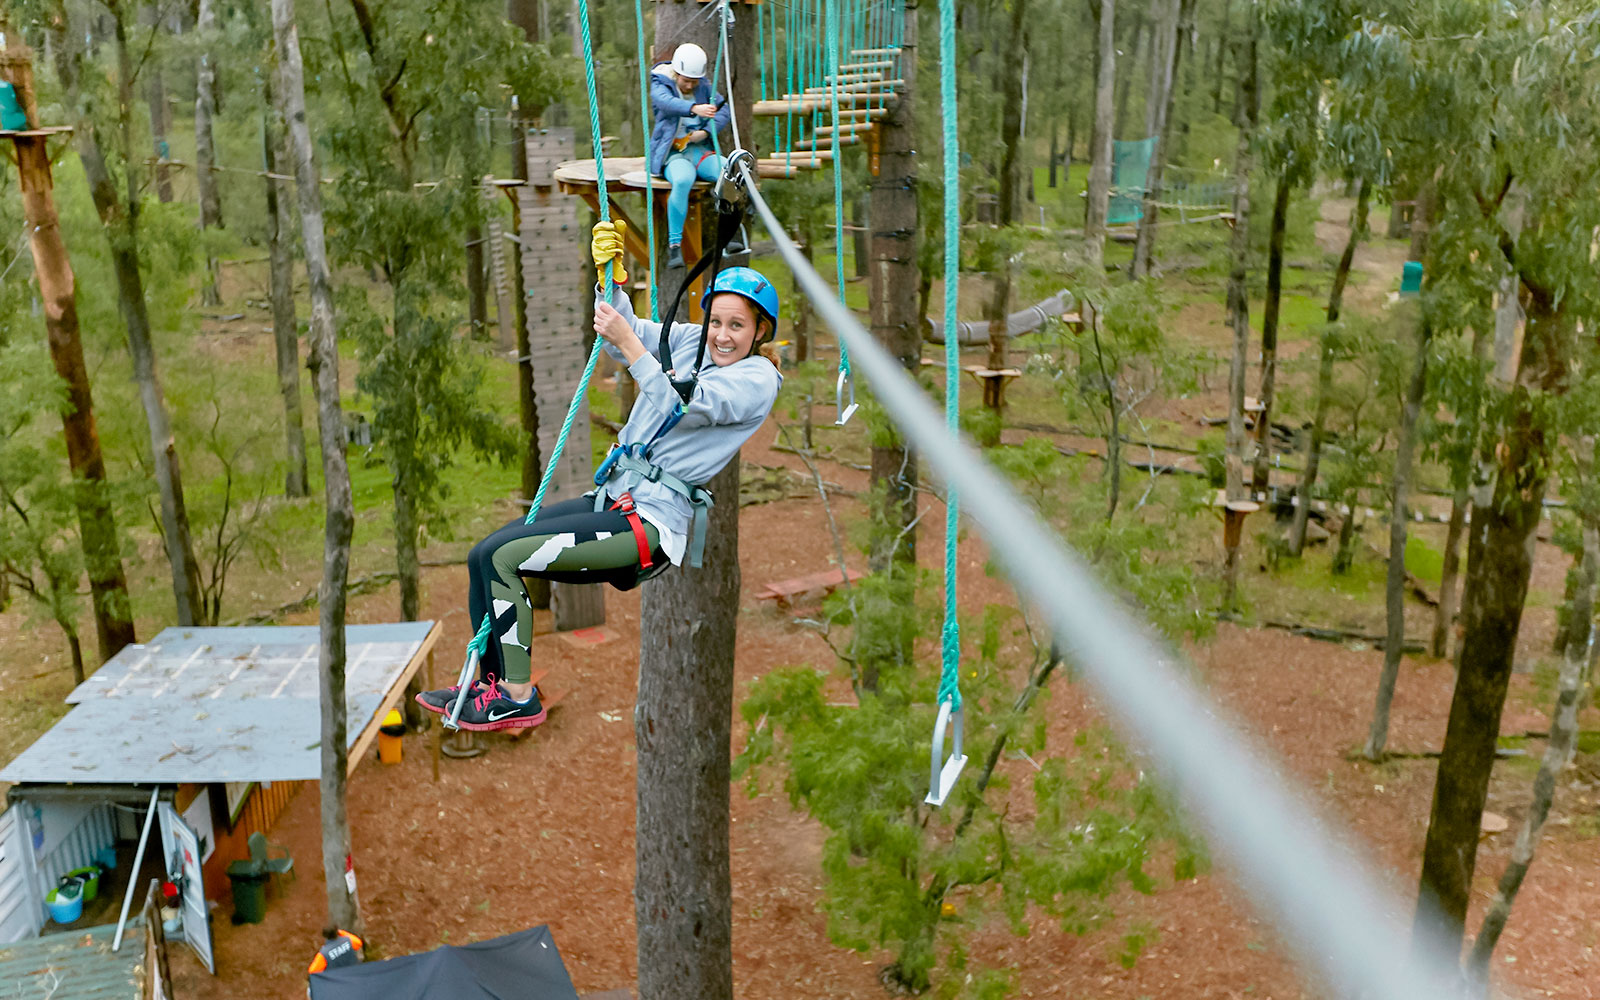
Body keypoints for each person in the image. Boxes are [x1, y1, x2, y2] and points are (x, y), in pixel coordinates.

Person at [415, 237, 783, 732]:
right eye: (716, 321)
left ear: (760, 332)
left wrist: (630, 345)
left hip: (648, 526)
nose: (721, 335)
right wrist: (609, 283)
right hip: (614, 501)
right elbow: (622, 335)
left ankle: (519, 696)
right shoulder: (693, 343)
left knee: (506, 559)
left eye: (736, 326)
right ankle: (494, 686)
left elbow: (681, 404)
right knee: (485, 554)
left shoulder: (756, 380)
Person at [649, 42, 732, 269]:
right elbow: (664, 103)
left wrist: (705, 131)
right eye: (685, 81)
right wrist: (695, 108)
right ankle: (675, 245)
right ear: (676, 73)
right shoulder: (660, 83)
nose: (689, 86)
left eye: (694, 82)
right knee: (683, 180)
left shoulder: (704, 87)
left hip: (697, 150)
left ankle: (731, 232)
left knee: (728, 171)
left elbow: (724, 109)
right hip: (673, 153)